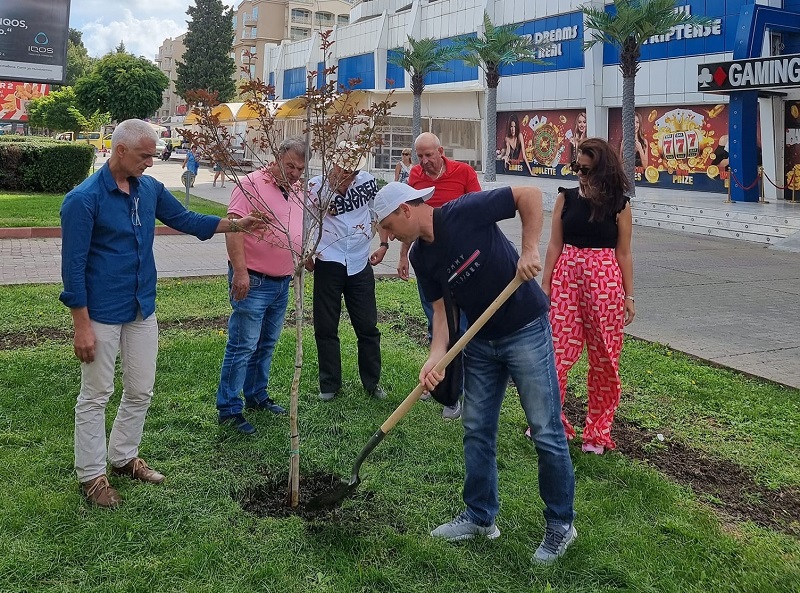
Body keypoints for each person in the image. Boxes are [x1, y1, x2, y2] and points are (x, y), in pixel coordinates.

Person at [59, 119, 265, 508]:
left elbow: (185, 220)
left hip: (141, 308)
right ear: (119, 150)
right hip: (100, 313)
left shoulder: (148, 189)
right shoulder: (83, 200)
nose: (151, 162)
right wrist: (81, 326)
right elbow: (72, 269)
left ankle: (122, 457)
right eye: (145, 155)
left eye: (153, 155)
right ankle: (91, 476)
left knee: (140, 389)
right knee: (96, 394)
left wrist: (235, 224)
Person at [374, 181, 577, 565]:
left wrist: (530, 248)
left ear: (405, 209)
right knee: (476, 429)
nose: (387, 236)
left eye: (387, 225)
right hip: (479, 342)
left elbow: (528, 195)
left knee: (546, 431)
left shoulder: (463, 211)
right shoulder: (421, 257)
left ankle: (561, 524)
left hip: (524, 330)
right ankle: (480, 517)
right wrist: (435, 357)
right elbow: (439, 312)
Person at [538, 137, 635, 454]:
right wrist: (546, 283)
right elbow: (554, 244)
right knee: (556, 355)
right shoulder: (564, 199)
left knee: (605, 359)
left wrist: (629, 297)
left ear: (602, 170)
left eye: (587, 169)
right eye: (577, 167)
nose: (580, 173)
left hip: (605, 283)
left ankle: (597, 433)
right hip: (567, 278)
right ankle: (551, 423)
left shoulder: (619, 205)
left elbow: (624, 253)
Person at [215, 137, 307, 435]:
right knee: (243, 345)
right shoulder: (251, 184)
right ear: (277, 156)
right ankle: (229, 409)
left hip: (282, 281)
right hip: (253, 280)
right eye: (290, 165)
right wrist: (240, 272)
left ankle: (256, 395)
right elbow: (233, 228)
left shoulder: (296, 190)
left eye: (300, 169)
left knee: (266, 344)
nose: (294, 173)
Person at [401, 131, 481, 419]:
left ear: (441, 151)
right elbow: (408, 217)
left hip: (461, 264)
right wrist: (402, 256)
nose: (423, 162)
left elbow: (478, 212)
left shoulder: (464, 173)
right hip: (429, 266)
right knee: (437, 324)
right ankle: (440, 382)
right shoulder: (415, 177)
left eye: (428, 155)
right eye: (419, 156)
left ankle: (459, 391)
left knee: (461, 329)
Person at [306, 141, 389, 402]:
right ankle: (329, 384)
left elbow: (381, 212)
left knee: (367, 327)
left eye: (352, 173)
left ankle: (372, 383)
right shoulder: (316, 187)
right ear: (333, 165)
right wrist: (305, 252)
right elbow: (304, 220)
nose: (346, 178)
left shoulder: (366, 183)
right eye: (343, 171)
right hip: (328, 261)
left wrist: (384, 244)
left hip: (359, 262)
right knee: (326, 325)